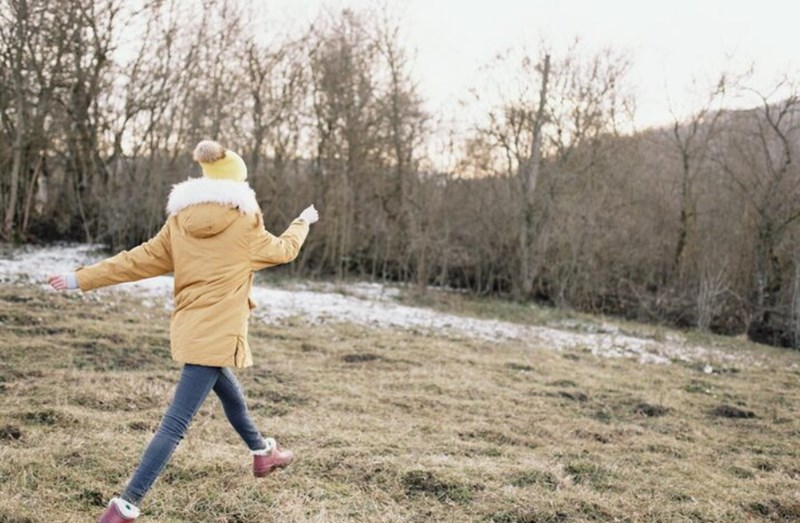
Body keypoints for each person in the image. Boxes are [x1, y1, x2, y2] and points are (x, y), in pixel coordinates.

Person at [48, 140, 319, 523]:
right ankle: (125, 506)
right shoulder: (246, 224)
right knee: (174, 426)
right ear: (240, 186)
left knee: (230, 395)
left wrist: (81, 278)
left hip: (191, 330)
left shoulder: (179, 223)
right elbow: (284, 250)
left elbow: (135, 260)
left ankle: (262, 453)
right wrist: (301, 223)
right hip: (220, 332)